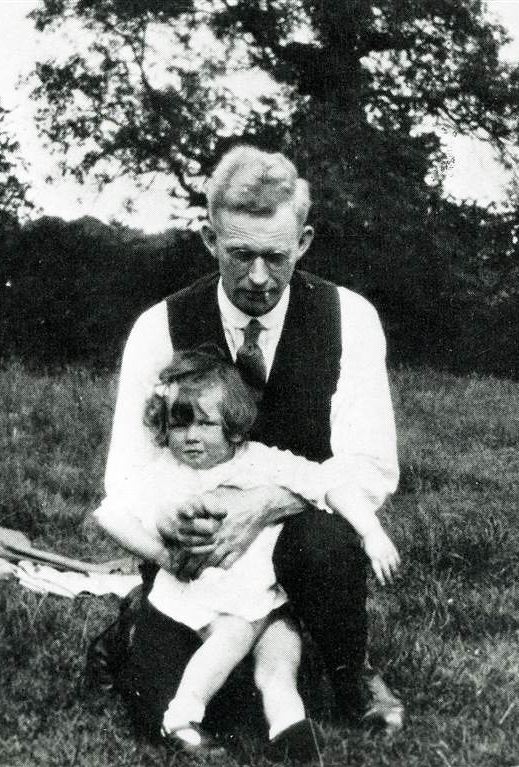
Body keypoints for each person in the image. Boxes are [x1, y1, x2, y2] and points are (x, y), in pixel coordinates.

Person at [92, 144, 403, 744]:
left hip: (300, 523)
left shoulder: (351, 318)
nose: (258, 277)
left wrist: (266, 502)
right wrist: (174, 521)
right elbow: (125, 475)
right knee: (172, 708)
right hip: (198, 541)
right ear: (210, 240)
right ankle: (147, 621)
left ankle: (350, 670)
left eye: (275, 257)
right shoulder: (158, 327)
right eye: (240, 254)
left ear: (303, 243)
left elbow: (370, 464)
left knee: (327, 545)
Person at [95, 347, 400, 758]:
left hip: (260, 599)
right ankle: (182, 717)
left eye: (206, 423)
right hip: (199, 599)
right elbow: (109, 514)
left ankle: (290, 730)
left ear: (234, 428)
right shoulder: (167, 471)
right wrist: (162, 555)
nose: (191, 437)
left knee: (282, 650)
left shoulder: (259, 461)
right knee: (233, 635)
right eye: (179, 424)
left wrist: (371, 531)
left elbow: (329, 482)